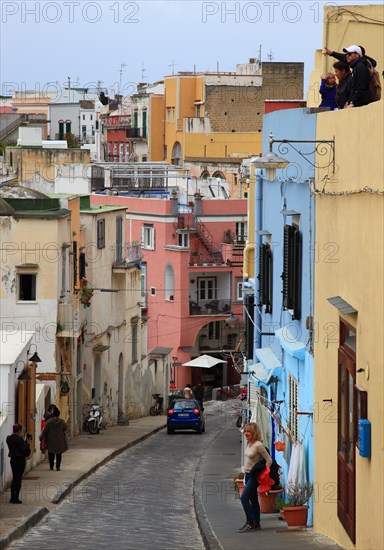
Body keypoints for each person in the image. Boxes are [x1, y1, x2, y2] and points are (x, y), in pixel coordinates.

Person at [238, 423, 272, 533]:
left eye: (249, 432)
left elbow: (269, 460)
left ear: (254, 433)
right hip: (247, 475)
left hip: (254, 476)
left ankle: (250, 522)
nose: (246, 433)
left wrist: (263, 473)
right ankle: (256, 523)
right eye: (245, 431)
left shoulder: (258, 445)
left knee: (244, 498)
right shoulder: (249, 443)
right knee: (253, 500)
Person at [6, 423, 32, 504]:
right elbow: (25, 451)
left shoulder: (9, 438)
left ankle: (12, 497)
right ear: (19, 431)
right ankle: (15, 498)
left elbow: (16, 446)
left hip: (13, 460)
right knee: (18, 479)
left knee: (14, 478)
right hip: (20, 460)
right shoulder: (19, 439)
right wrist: (27, 444)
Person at [40, 406, 68, 471]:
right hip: (59, 440)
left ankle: (51, 466)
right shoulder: (61, 422)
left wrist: (41, 437)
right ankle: (58, 466)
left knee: (51, 453)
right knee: (59, 454)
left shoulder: (49, 422)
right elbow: (65, 428)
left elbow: (45, 431)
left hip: (51, 440)